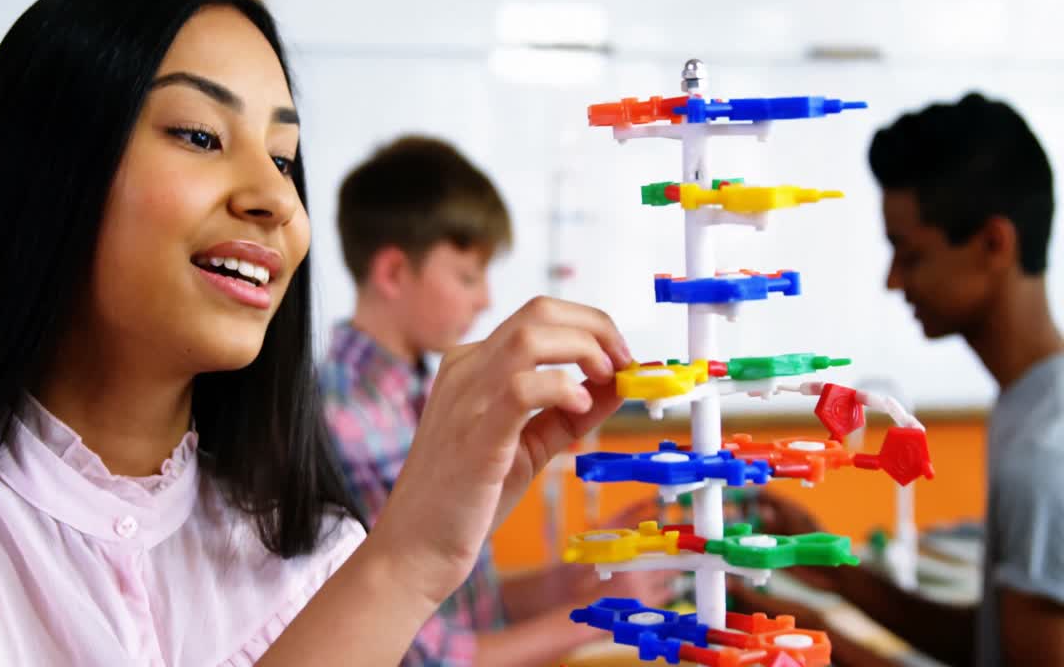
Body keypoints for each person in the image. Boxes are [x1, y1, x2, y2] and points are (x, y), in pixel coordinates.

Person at [0, 0, 638, 667]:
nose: (277, 199)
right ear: (50, 170)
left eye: (285, 158)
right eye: (199, 135)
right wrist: (404, 564)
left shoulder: (320, 552)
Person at [735, 93, 1064, 666]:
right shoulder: (1029, 408)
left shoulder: (1043, 454)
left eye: (909, 254)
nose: (893, 280)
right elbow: (993, 644)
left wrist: (825, 647)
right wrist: (840, 574)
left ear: (993, 244)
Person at [320, 137, 671, 666]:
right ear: (392, 272)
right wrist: (597, 615)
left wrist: (570, 584)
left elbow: (452, 602)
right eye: (467, 276)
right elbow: (421, 656)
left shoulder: (422, 394)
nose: (484, 299)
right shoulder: (351, 420)